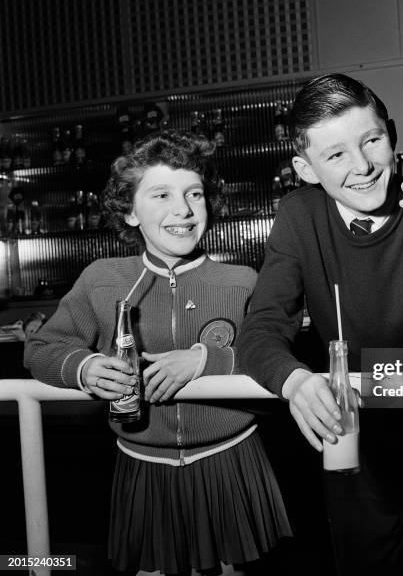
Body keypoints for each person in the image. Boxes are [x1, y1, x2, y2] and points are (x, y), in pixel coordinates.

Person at [237, 74, 403, 576]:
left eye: (372, 141)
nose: (364, 167)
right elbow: (260, 330)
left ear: (391, 134)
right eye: (336, 155)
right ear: (305, 169)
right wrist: (294, 380)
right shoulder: (299, 215)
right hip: (353, 446)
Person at [24, 131, 292, 576]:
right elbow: (43, 348)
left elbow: (280, 352)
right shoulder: (101, 279)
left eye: (194, 194)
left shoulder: (242, 280)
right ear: (129, 212)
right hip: (143, 467)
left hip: (230, 461)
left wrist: (208, 361)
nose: (183, 210)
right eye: (161, 194)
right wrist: (85, 367)